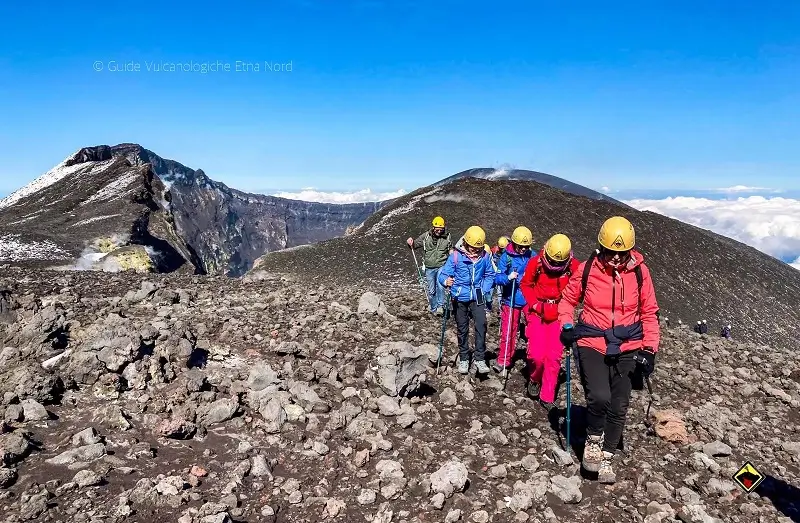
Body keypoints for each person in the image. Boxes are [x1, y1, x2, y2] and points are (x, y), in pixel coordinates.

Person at [558, 216, 660, 484]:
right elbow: (568, 299)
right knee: (600, 396)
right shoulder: (588, 269)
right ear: (601, 248)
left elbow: (649, 312)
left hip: (629, 344)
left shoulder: (641, 272)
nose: (615, 258)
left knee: (619, 403)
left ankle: (608, 453)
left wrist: (649, 350)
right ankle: (593, 438)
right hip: (592, 340)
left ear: (629, 251)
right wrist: (567, 324)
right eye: (610, 252)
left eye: (621, 253)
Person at [519, 233, 580, 410]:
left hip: (559, 315)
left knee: (553, 357)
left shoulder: (574, 267)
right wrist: (535, 304)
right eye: (552, 262)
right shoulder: (535, 263)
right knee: (536, 355)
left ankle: (547, 394)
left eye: (559, 263)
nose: (555, 266)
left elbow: (579, 288)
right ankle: (534, 378)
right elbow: (526, 285)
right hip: (538, 313)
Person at [438, 225, 497, 375]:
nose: (476, 251)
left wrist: (483, 289)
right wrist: (446, 281)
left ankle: (479, 358)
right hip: (459, 296)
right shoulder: (456, 256)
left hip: (477, 294)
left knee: (481, 324)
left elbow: (490, 275)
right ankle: (464, 358)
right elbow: (443, 274)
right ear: (466, 243)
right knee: (462, 328)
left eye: (478, 248)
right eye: (473, 247)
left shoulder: (484, 257)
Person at [492, 226, 534, 375]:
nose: (523, 249)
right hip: (510, 299)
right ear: (514, 243)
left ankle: (533, 361)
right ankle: (504, 360)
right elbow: (497, 278)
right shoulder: (506, 257)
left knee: (534, 331)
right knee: (508, 331)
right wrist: (508, 278)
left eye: (526, 246)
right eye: (520, 246)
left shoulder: (532, 256)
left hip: (529, 299)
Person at [407, 216, 453, 315]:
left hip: (442, 265)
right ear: (433, 227)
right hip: (429, 267)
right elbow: (415, 245)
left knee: (441, 286)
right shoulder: (426, 236)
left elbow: (450, 249)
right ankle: (433, 307)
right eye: (437, 229)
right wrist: (410, 242)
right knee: (431, 290)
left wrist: (453, 256)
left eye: (441, 229)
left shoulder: (448, 236)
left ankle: (440, 306)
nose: (439, 231)